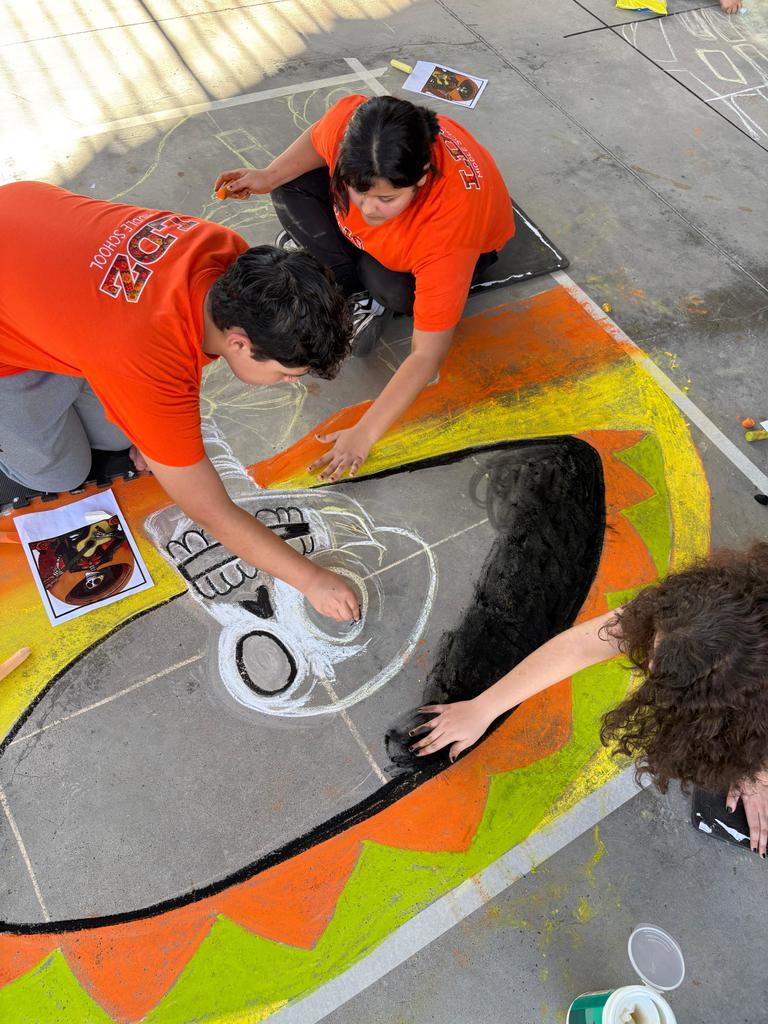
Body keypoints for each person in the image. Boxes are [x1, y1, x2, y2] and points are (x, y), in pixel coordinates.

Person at [0, 182, 359, 622]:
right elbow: (210, 511)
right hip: (11, 341)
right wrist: (310, 579)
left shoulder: (230, 257)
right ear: (240, 343)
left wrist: (156, 437)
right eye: (285, 373)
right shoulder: (146, 354)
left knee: (118, 437)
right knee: (61, 471)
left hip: (26, 230)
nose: (287, 384)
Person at [215, 93, 515, 482]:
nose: (369, 208)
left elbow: (426, 355)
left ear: (421, 178)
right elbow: (315, 139)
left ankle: (365, 287)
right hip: (397, 241)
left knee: (390, 285)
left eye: (387, 198)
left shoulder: (447, 233)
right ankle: (353, 271)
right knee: (288, 188)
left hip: (458, 251)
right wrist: (268, 175)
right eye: (359, 192)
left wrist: (365, 432)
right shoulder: (352, 126)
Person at [409, 543, 768, 856]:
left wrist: (753, 772)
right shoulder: (707, 613)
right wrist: (483, 707)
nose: (649, 672)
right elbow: (583, 645)